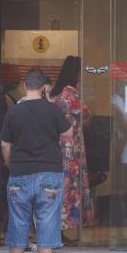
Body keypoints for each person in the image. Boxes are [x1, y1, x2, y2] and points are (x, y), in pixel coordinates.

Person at [0, 69, 73, 253]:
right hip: (49, 172)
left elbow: (5, 144)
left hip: (20, 173)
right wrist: (50, 102)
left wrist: (10, 164)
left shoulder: (14, 111)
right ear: (44, 88)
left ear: (25, 86)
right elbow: (68, 133)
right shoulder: (52, 109)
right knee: (47, 220)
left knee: (18, 220)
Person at [50, 56, 95, 243]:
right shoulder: (72, 95)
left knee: (58, 189)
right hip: (72, 149)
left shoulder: (55, 94)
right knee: (70, 188)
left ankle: (55, 230)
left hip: (56, 147)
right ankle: (61, 230)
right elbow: (86, 117)